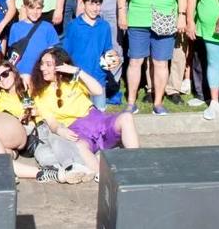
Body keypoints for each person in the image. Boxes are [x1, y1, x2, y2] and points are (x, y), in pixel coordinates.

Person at [29, 48, 138, 181]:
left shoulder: (73, 81)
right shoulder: (40, 94)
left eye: (48, 64)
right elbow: (51, 122)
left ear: (59, 65)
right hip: (77, 130)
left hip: (97, 119)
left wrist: (77, 71)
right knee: (79, 146)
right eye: (41, 64)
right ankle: (104, 176)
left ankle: (135, 163)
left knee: (126, 117)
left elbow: (98, 90)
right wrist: (60, 130)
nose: (42, 68)